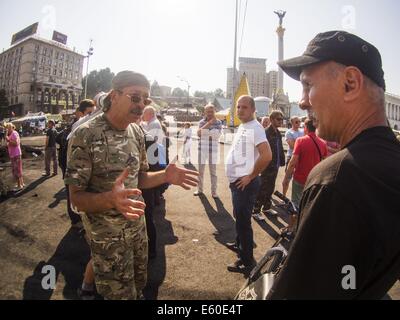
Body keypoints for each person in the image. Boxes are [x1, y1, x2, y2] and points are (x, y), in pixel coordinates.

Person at [267, 30, 400, 299]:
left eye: (307, 85)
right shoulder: (391, 160)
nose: (302, 101)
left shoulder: (337, 178)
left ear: (350, 83)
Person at [65, 70, 198, 300]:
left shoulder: (137, 131)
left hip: (137, 231)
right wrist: (110, 199)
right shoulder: (85, 135)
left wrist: (165, 175)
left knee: (140, 286)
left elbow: (141, 178)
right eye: (135, 97)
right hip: (109, 241)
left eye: (145, 99)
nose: (140, 105)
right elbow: (76, 198)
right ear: (114, 95)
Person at [225, 95, 272, 274]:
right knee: (239, 216)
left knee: (243, 222)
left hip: (244, 183)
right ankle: (240, 246)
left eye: (244, 107)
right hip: (236, 182)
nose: (240, 110)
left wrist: (251, 176)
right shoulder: (244, 126)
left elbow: (267, 156)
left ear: (253, 109)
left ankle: (247, 262)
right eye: (238, 107)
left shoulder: (256, 128)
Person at [281, 118, 327, 237]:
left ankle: (291, 228)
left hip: (300, 179)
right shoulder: (322, 143)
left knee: (295, 204)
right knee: (308, 204)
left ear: (305, 128)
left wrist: (286, 177)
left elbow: (293, 162)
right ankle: (302, 229)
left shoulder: (301, 140)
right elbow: (324, 162)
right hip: (314, 179)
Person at [253, 111, 285, 220]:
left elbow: (279, 148)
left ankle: (266, 208)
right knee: (262, 188)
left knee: (270, 187)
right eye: (278, 119)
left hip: (274, 165)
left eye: (281, 119)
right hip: (266, 165)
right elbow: (259, 150)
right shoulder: (265, 132)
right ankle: (255, 210)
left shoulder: (278, 133)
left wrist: (282, 160)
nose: (281, 121)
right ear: (271, 120)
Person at [195, 104, 222, 198]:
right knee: (200, 172)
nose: (210, 113)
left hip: (213, 151)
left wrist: (205, 134)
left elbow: (216, 136)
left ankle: (214, 192)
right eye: (208, 111)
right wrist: (209, 124)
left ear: (214, 111)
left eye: (211, 111)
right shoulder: (201, 122)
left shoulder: (218, 122)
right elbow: (199, 134)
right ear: (205, 112)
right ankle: (199, 190)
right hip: (202, 149)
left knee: (213, 173)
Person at [283, 116, 304, 196]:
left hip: (301, 157)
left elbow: (295, 144)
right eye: (296, 122)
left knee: (299, 179)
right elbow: (292, 146)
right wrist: (302, 142)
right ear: (291, 123)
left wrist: (297, 142)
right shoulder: (289, 132)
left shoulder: (302, 131)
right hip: (291, 156)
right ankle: (284, 196)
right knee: (287, 178)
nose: (298, 123)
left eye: (299, 121)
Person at [5, 123, 24, 191]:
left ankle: (19, 186)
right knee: (18, 168)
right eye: (7, 128)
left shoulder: (14, 133)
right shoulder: (12, 133)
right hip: (14, 154)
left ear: (12, 127)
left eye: (9, 128)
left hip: (15, 154)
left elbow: (16, 143)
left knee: (16, 169)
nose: (7, 129)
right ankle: (21, 183)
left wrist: (8, 140)